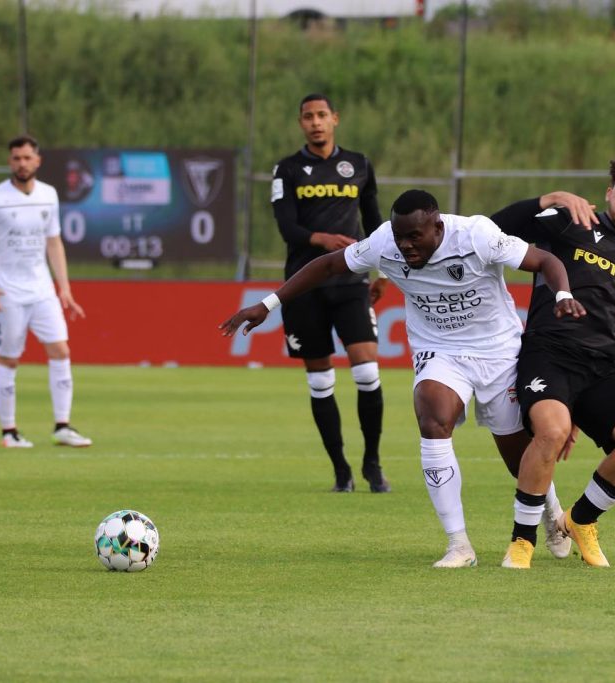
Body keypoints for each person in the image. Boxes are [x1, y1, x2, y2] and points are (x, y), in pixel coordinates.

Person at [221, 189, 586, 568]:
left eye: (415, 236)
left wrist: (562, 294)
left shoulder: (476, 235)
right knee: (432, 420)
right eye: (400, 237)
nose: (406, 245)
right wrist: (268, 304)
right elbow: (328, 265)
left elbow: (545, 260)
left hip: (497, 351)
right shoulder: (384, 242)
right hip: (439, 350)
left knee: (517, 457)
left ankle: (551, 513)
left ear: (437, 227)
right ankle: (459, 545)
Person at [490, 152, 615, 569]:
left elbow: (611, 325)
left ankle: (580, 520)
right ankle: (522, 541)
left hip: (602, 369)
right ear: (609, 192)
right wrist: (547, 199)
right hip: (549, 354)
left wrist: (580, 408)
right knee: (551, 430)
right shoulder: (570, 221)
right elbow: (493, 229)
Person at [270, 93, 389, 493]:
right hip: (303, 285)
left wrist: (383, 271)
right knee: (320, 381)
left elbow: (374, 223)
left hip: (351, 282)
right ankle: (341, 470)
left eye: (322, 115)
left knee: (367, 371)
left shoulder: (359, 164)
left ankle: (372, 464)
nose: (316, 122)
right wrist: (322, 239)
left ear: (335, 119)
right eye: (308, 117)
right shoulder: (287, 170)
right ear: (300, 123)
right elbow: (287, 227)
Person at [0, 135, 92, 448]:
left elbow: (54, 242)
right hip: (7, 293)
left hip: (41, 290)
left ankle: (62, 426)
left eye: (27, 158)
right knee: (9, 359)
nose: (22, 164)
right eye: (16, 158)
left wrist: (64, 287)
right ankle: (9, 432)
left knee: (61, 351)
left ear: (38, 161)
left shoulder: (49, 195)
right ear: (10, 162)